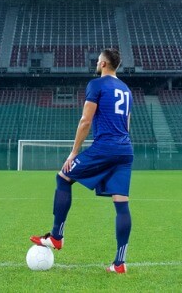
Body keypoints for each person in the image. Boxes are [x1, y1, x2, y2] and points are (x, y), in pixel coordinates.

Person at [30, 48, 133, 274]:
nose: (96, 63)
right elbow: (127, 124)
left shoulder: (96, 85)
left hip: (105, 148)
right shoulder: (126, 89)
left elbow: (85, 121)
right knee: (121, 204)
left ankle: (56, 236)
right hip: (125, 149)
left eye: (98, 61)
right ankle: (120, 263)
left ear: (104, 64)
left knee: (63, 177)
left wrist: (73, 153)